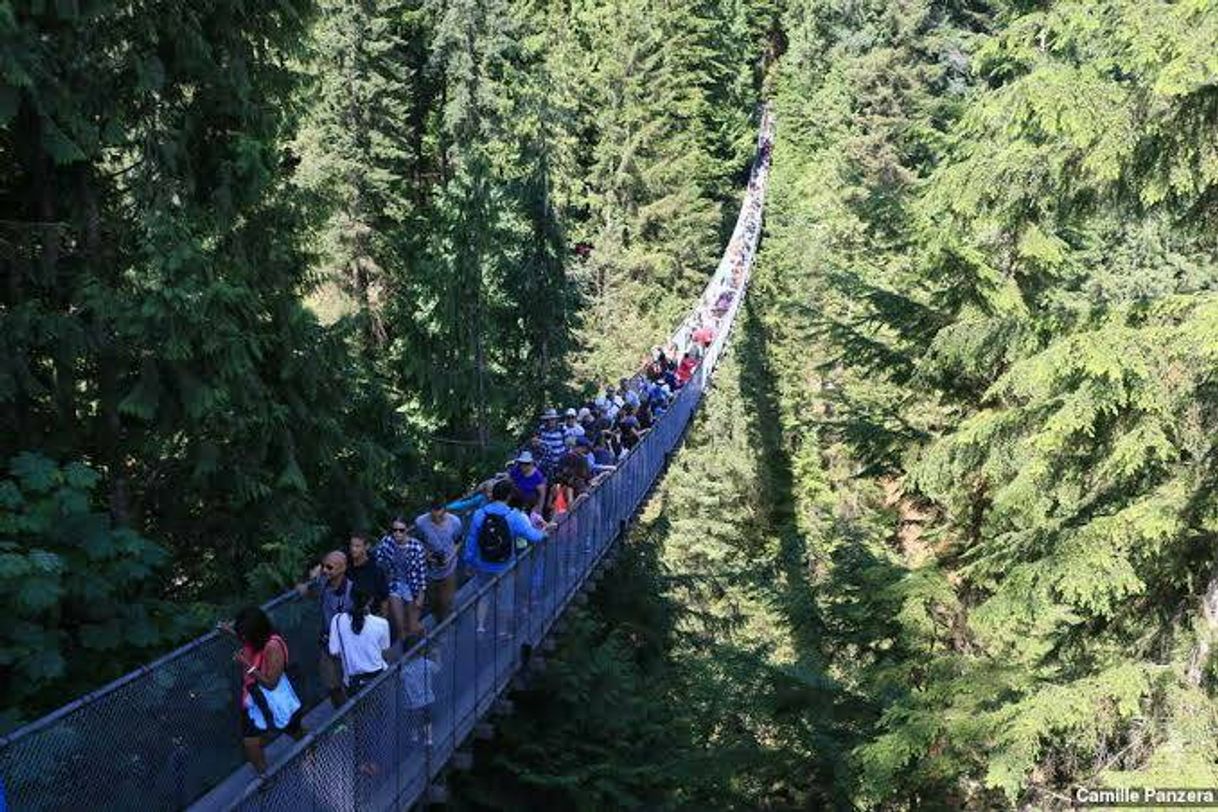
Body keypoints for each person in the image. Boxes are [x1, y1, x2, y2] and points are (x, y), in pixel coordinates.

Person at [224, 606, 304, 774]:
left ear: (255, 632)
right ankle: (264, 776)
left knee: (293, 729)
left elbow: (271, 683)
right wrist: (229, 630)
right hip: (253, 699)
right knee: (250, 742)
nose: (242, 639)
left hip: (275, 699)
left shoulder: (273, 646)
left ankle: (311, 748)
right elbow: (245, 638)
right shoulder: (254, 639)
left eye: (244, 635)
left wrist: (246, 665)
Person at [464, 478, 548, 633]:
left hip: (482, 563)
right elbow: (533, 536)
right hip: (505, 564)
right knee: (506, 598)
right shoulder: (513, 516)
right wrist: (545, 532)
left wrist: (469, 562)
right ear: (509, 496)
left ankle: (480, 628)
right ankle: (503, 631)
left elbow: (471, 541)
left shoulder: (479, 514)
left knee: (484, 595)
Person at [296, 549, 354, 708]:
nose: (325, 570)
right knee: (331, 683)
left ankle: (357, 709)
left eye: (329, 567)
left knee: (349, 681)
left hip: (347, 643)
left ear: (342, 568)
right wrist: (307, 583)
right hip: (328, 642)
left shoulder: (351, 592)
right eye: (323, 566)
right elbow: (309, 592)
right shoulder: (323, 582)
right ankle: (342, 716)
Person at [328, 588, 391, 694]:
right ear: (371, 600)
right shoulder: (382, 623)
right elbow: (384, 651)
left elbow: (333, 651)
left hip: (354, 684)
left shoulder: (337, 620)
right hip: (379, 679)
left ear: (350, 598)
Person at [375, 519, 428, 644]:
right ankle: (407, 656)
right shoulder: (387, 542)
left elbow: (422, 573)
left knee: (412, 626)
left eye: (401, 530)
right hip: (395, 585)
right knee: (400, 625)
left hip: (411, 587)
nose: (397, 533)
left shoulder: (416, 547)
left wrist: (421, 595)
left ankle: (425, 637)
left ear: (407, 530)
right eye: (395, 530)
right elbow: (378, 558)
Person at [414, 498, 463, 621]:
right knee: (434, 602)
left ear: (445, 510)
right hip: (430, 569)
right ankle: (439, 621)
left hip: (449, 567)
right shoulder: (420, 522)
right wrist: (427, 556)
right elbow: (419, 542)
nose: (436, 516)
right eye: (433, 513)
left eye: (440, 513)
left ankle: (447, 623)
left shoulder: (455, 522)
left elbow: (459, 541)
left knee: (447, 600)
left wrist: (450, 557)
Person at [347, 531, 389, 618]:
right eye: (352, 545)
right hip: (347, 614)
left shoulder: (376, 569)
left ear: (367, 546)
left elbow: (384, 597)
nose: (353, 549)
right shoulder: (345, 563)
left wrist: (383, 620)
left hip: (370, 615)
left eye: (357, 546)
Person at [538, 408, 566, 473]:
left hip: (560, 462)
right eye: (548, 419)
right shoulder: (542, 430)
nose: (551, 421)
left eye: (553, 419)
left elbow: (567, 445)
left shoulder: (562, 430)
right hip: (546, 463)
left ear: (556, 420)